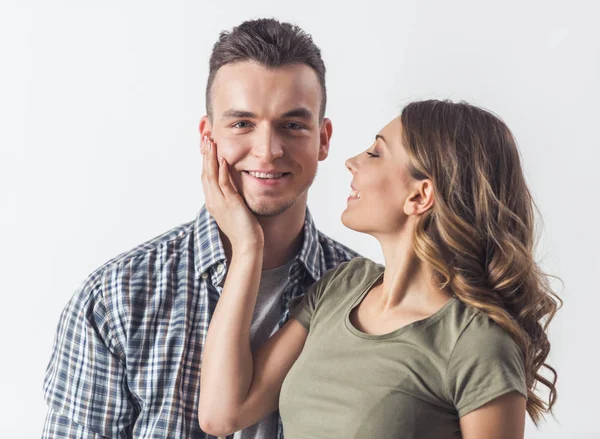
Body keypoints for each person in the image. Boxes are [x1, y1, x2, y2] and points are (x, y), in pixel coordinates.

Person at [42, 18, 358, 438]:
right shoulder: (116, 299)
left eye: (293, 125)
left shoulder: (368, 296)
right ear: (207, 138)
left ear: (323, 138)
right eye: (242, 124)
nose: (267, 151)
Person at [198, 99, 561, 439]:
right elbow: (222, 414)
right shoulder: (341, 287)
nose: (351, 162)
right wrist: (247, 248)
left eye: (375, 153)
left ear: (419, 196)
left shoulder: (476, 343)